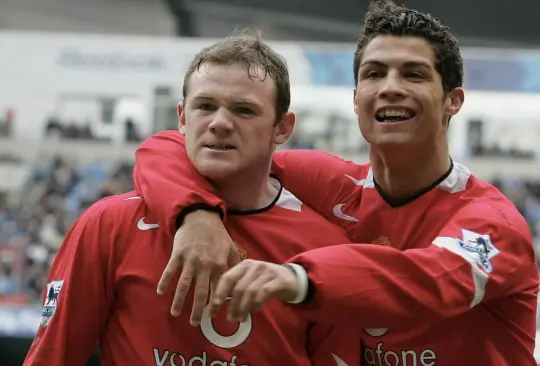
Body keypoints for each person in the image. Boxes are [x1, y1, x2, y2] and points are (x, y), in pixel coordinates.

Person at [132, 1, 539, 365]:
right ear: (356, 97)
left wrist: (300, 279)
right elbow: (171, 147)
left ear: (453, 100)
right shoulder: (333, 184)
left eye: (413, 75)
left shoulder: (491, 221)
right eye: (374, 73)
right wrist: (195, 214)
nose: (390, 87)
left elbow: (432, 281)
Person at [23, 32, 360, 366]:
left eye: (244, 110)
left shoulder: (325, 247)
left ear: (282, 128)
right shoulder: (109, 225)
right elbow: (53, 357)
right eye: (205, 106)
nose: (220, 123)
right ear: (183, 118)